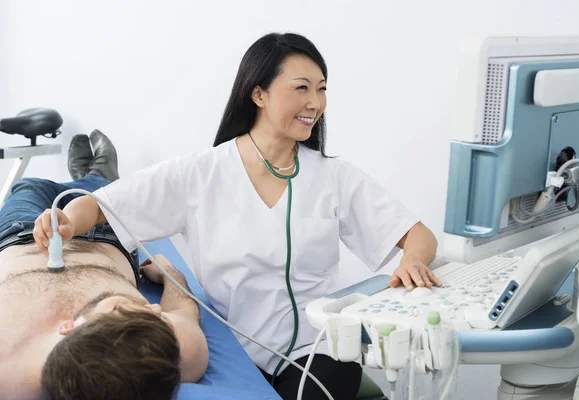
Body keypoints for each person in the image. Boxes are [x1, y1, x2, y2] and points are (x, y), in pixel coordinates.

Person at [35, 33, 440, 399]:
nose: (315, 103)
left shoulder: (334, 177)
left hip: (315, 348)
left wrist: (412, 260)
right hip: (232, 343)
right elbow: (103, 205)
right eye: (301, 88)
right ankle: (90, 172)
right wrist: (67, 221)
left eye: (321, 89)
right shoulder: (201, 172)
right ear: (258, 94)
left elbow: (419, 236)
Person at [0, 131, 208, 400]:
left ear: (67, 328)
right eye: (158, 314)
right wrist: (169, 272)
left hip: (22, 234)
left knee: (29, 186)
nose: (155, 308)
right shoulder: (168, 354)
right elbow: (182, 308)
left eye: (121, 307)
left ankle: (84, 177)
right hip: (107, 240)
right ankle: (97, 173)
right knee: (98, 191)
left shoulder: (8, 369)